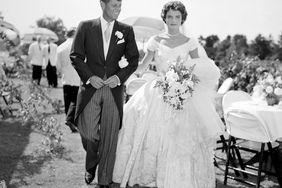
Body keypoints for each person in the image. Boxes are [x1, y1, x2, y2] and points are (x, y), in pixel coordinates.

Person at [112, 1, 224, 188]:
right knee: (147, 128)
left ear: (182, 19)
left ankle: (182, 177)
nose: (173, 20)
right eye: (170, 16)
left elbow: (201, 67)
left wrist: (185, 79)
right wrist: (123, 65)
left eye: (177, 16)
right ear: (164, 18)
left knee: (183, 135)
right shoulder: (155, 40)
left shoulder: (191, 42)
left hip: (184, 92)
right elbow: (142, 66)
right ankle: (152, 173)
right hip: (158, 90)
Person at [70, 0, 139, 187]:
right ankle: (91, 162)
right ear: (102, 4)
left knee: (110, 137)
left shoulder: (126, 30)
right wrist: (90, 77)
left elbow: (133, 60)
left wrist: (119, 78)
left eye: (120, 5)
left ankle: (105, 180)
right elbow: (75, 56)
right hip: (91, 88)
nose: (118, 9)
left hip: (114, 90)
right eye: (114, 5)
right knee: (89, 133)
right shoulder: (85, 26)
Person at [56, 28, 80, 133]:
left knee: (68, 100)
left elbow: (57, 65)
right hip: (77, 77)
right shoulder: (79, 46)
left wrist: (62, 72)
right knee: (76, 100)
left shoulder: (60, 47)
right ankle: (70, 120)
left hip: (66, 78)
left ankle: (69, 120)